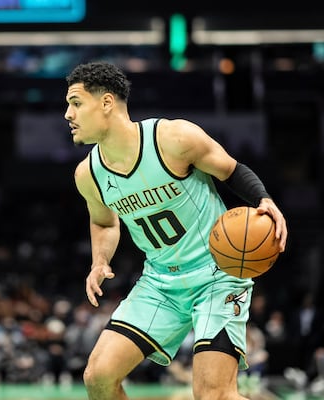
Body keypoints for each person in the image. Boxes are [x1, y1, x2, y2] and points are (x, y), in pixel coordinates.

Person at [64, 61, 288, 400]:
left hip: (217, 276)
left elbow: (231, 170)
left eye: (76, 103)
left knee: (213, 395)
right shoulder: (88, 175)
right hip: (160, 283)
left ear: (107, 103)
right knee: (98, 376)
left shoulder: (173, 138)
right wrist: (99, 260)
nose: (68, 114)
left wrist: (264, 199)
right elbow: (104, 221)